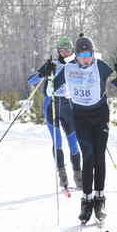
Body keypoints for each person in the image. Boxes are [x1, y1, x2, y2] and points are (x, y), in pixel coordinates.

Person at [45, 33, 117, 224]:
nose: (86, 60)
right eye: (82, 56)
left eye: (89, 55)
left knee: (99, 157)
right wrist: (50, 75)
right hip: (80, 117)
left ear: (93, 54)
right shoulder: (68, 68)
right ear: (76, 56)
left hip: (100, 116)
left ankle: (100, 200)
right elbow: (49, 91)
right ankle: (86, 200)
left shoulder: (100, 66)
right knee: (88, 156)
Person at [28, 36, 81, 190]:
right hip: (51, 105)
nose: (64, 52)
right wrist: (44, 71)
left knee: (73, 143)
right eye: (62, 50)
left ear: (72, 50)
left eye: (68, 49)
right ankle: (62, 176)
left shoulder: (76, 65)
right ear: (58, 51)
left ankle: (78, 176)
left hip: (69, 106)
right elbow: (31, 81)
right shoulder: (53, 64)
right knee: (57, 142)